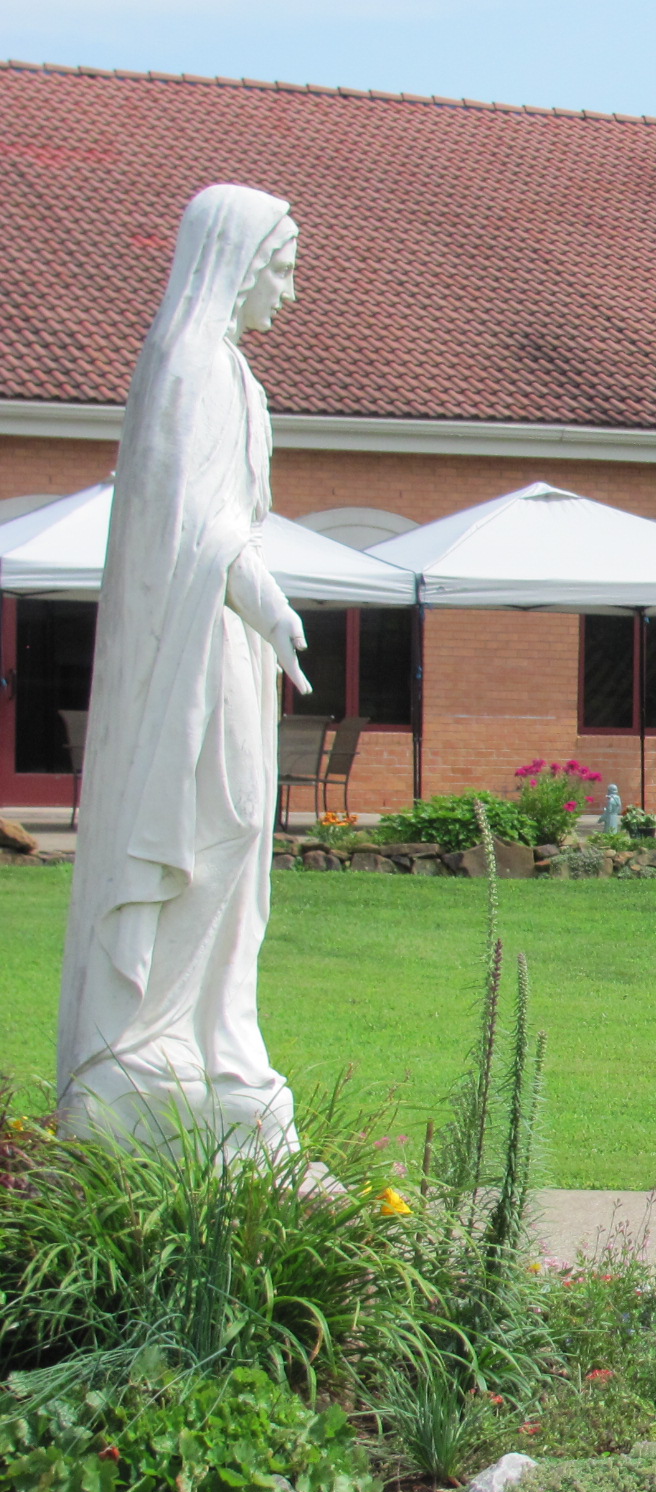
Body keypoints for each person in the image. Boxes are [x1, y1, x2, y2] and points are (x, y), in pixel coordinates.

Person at [57, 183, 312, 1156]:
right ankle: (152, 1037)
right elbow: (190, 525)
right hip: (192, 647)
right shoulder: (191, 368)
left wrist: (256, 604)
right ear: (239, 263)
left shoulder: (236, 376)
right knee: (209, 823)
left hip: (230, 644)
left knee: (240, 832)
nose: (286, 294)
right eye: (281, 270)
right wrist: (268, 598)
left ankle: (217, 1035)